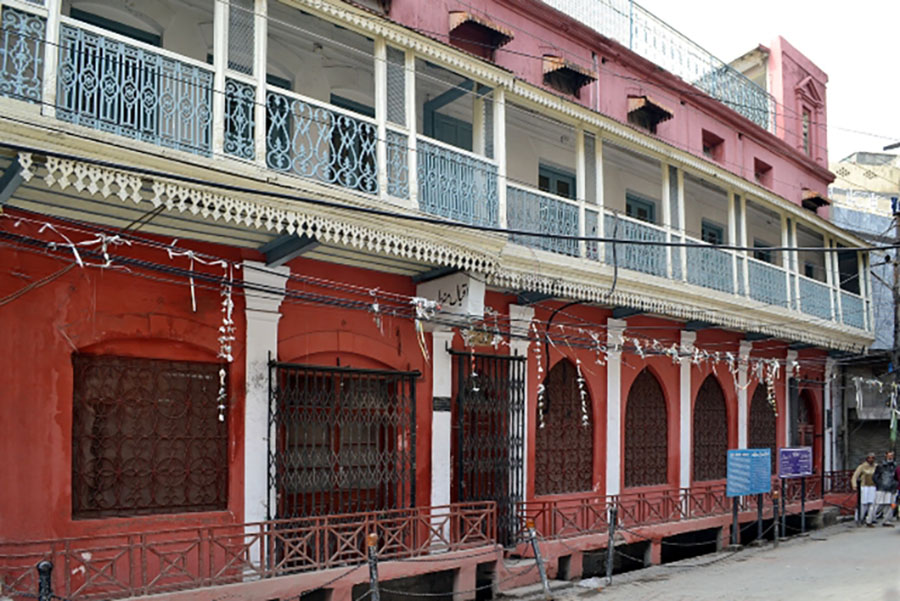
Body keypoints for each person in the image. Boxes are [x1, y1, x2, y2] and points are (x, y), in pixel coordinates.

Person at [873, 451, 898, 526]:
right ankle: (870, 519)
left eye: (892, 456)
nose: (890, 457)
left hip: (892, 487)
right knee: (878, 504)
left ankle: (886, 520)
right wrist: (879, 484)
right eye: (889, 455)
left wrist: (895, 484)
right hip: (882, 487)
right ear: (886, 456)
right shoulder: (880, 466)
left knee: (890, 504)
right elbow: (875, 477)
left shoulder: (895, 466)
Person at [851, 452, 877, 526]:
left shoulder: (876, 466)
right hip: (864, 486)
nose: (871, 459)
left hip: (873, 486)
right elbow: (855, 476)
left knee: (872, 504)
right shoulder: (862, 466)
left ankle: (869, 520)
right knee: (863, 504)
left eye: (872, 458)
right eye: (869, 458)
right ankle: (859, 518)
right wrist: (854, 485)